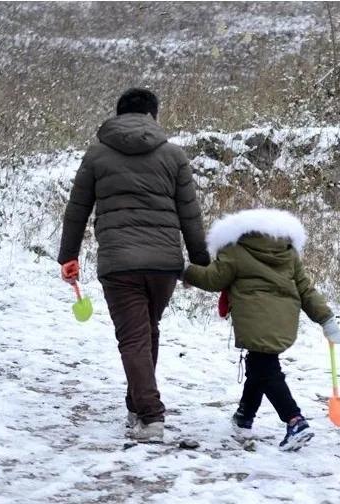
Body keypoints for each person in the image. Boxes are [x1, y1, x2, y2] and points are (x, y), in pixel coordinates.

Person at [57, 88, 209, 443]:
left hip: (119, 262)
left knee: (134, 337)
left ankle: (150, 414)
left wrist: (69, 255)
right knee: (146, 331)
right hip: (163, 264)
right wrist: (200, 263)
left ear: (118, 113)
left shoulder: (97, 155)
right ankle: (136, 402)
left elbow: (76, 210)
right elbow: (191, 214)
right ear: (152, 116)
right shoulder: (173, 155)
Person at [182, 208, 340, 451]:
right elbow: (306, 290)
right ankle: (244, 416)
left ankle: (295, 420)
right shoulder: (288, 253)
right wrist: (326, 319)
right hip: (284, 319)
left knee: (265, 368)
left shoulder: (235, 250)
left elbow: (212, 280)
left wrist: (183, 270)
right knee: (259, 364)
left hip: (253, 318)